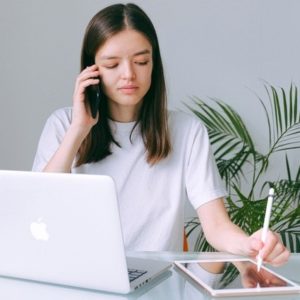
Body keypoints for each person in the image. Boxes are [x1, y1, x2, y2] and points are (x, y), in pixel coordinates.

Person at [32, 3, 289, 266]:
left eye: (141, 61)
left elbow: (216, 226)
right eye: (112, 65)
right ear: (91, 71)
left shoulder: (187, 131)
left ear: (154, 64)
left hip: (158, 283)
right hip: (79, 276)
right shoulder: (63, 125)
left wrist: (250, 245)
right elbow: (39, 209)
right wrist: (79, 129)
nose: (129, 74)